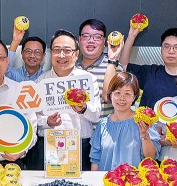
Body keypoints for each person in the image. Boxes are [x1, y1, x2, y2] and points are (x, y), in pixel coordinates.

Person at [35, 31, 101, 170]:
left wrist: (83, 108)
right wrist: (46, 121)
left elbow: (96, 116)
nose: (62, 55)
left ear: (76, 54)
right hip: (49, 144)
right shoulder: (40, 82)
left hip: (81, 145)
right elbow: (33, 118)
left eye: (67, 50)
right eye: (57, 50)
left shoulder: (87, 79)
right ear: (50, 54)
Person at [90, 72, 161, 171]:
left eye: (127, 94)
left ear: (134, 97)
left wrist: (144, 135)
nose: (122, 98)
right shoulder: (102, 125)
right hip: (106, 183)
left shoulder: (144, 122)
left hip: (134, 183)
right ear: (110, 95)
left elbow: (151, 157)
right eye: (117, 93)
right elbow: (95, 159)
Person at [111, 27, 177, 106]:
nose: (171, 51)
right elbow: (123, 66)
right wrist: (131, 37)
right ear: (161, 48)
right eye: (166, 46)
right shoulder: (150, 72)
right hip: (146, 118)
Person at [77, 19, 115, 117]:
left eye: (97, 37)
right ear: (79, 40)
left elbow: (109, 98)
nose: (91, 41)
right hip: (76, 131)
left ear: (104, 41)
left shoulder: (113, 67)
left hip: (103, 130)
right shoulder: (71, 67)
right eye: (85, 36)